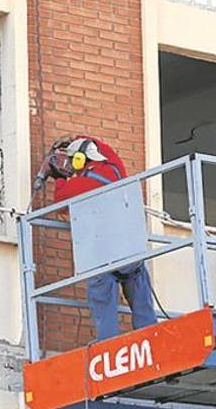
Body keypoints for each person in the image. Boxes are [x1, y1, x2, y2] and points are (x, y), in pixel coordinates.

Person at [48, 136, 157, 340]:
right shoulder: (115, 168)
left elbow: (60, 203)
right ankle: (150, 337)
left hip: (102, 254)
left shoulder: (81, 184)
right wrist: (78, 139)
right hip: (128, 248)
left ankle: (109, 343)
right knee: (140, 291)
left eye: (73, 160)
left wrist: (59, 177)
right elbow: (104, 148)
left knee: (104, 302)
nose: (72, 164)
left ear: (81, 160)